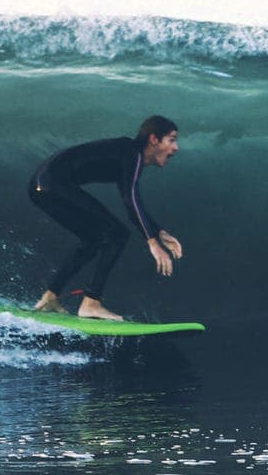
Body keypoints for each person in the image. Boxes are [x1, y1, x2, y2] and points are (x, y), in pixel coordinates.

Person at [27, 115, 183, 321]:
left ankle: (50, 297)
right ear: (154, 140)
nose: (176, 148)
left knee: (94, 239)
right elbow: (131, 199)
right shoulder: (133, 155)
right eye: (171, 140)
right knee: (117, 234)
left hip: (41, 185)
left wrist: (159, 232)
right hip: (53, 183)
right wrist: (152, 242)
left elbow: (132, 202)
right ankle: (91, 302)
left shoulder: (127, 155)